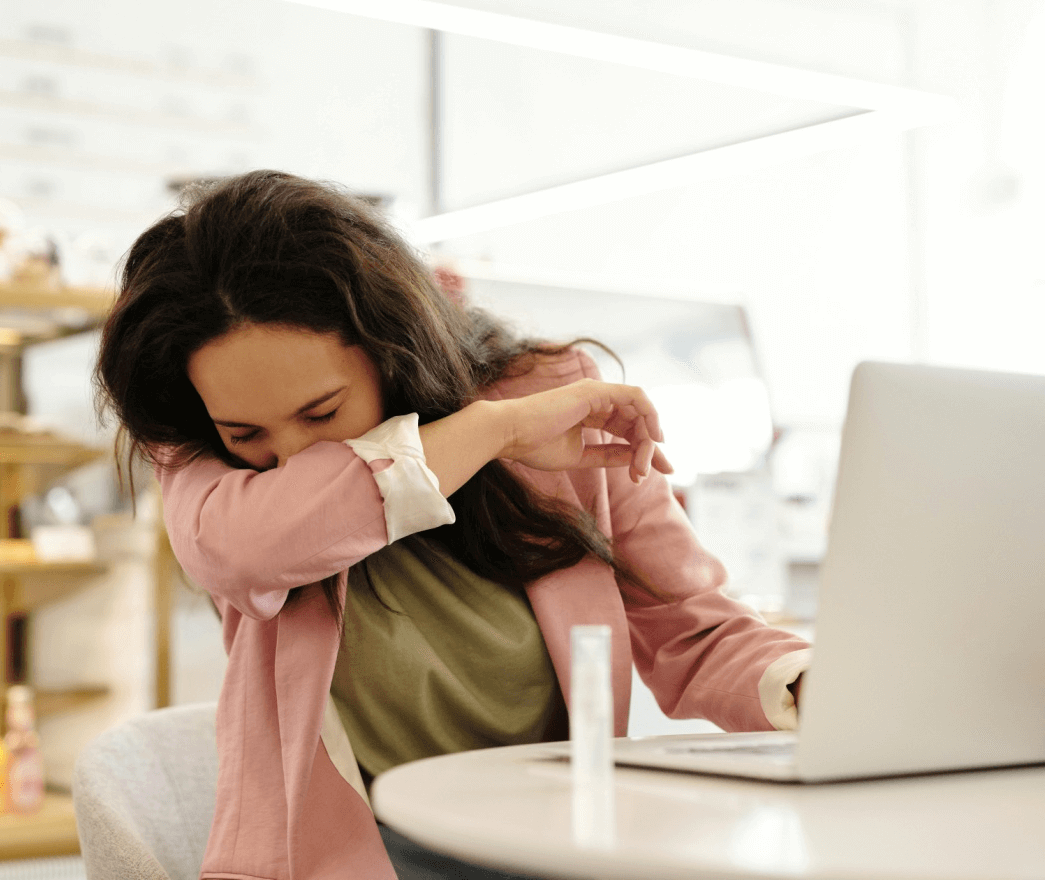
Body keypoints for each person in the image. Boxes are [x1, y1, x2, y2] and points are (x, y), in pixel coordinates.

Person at [95, 171, 811, 880]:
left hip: (554, 841)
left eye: (321, 413)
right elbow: (247, 547)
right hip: (355, 853)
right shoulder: (197, 454)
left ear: (391, 350)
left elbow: (692, 624)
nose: (291, 458)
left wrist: (812, 686)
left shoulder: (545, 393)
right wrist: (494, 431)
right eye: (246, 433)